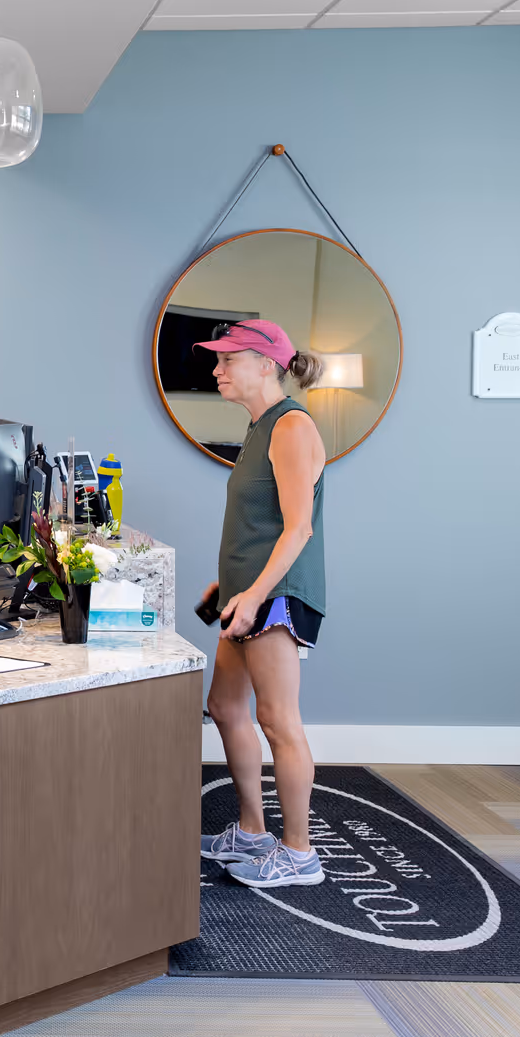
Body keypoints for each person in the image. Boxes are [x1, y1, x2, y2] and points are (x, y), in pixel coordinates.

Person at [192, 319, 328, 888]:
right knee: (225, 707)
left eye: (228, 359)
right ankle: (251, 832)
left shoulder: (292, 426)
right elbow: (259, 524)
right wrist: (227, 586)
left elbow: (299, 529)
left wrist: (253, 594)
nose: (217, 369)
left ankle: (299, 853)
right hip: (248, 593)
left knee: (277, 719)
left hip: (277, 595)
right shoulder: (259, 427)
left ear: (267, 364)